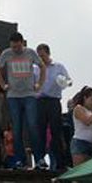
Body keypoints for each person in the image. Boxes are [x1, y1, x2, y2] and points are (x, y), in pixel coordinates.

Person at [0, 32, 47, 169]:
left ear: (22, 43)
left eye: (18, 47)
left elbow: (42, 67)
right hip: (13, 96)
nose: (16, 50)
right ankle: (19, 160)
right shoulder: (7, 53)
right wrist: (3, 85)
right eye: (13, 47)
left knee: (32, 126)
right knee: (16, 129)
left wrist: (39, 84)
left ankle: (40, 159)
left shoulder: (30, 53)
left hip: (29, 94)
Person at [34, 43, 71, 171]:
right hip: (39, 102)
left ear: (48, 54)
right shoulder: (35, 69)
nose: (40, 59)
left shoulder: (58, 67)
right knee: (40, 132)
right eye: (38, 56)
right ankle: (40, 162)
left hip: (54, 102)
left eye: (42, 56)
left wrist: (63, 82)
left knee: (56, 132)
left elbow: (69, 81)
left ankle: (60, 163)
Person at [70, 87, 92, 166]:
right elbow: (87, 122)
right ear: (85, 98)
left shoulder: (91, 111)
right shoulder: (78, 108)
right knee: (79, 171)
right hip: (80, 143)